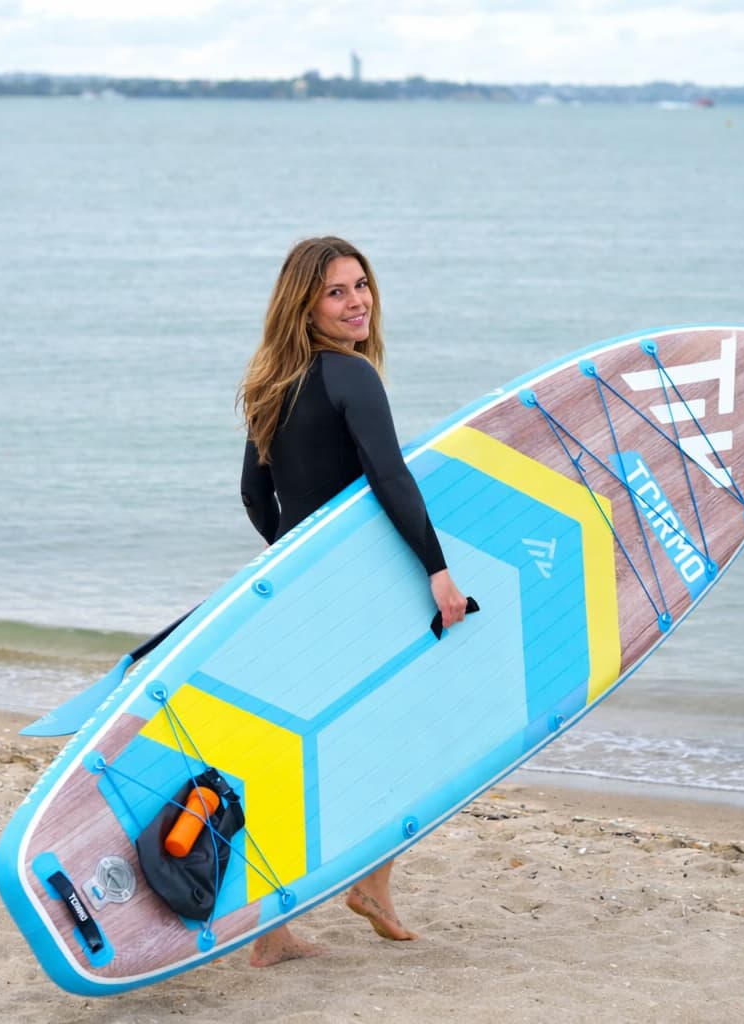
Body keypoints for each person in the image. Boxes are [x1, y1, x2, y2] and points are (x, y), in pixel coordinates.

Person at [238, 236, 468, 967]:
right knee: (404, 727)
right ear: (305, 304)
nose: (357, 302)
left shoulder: (271, 381)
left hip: (300, 592)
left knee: (298, 748)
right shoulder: (351, 375)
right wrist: (437, 570)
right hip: (356, 592)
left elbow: (255, 495)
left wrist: (296, 557)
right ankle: (371, 884)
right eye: (337, 291)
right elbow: (390, 476)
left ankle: (271, 931)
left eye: (361, 285)